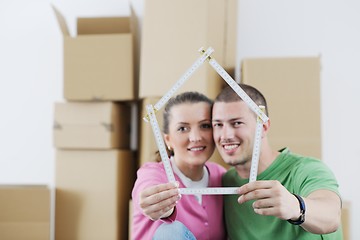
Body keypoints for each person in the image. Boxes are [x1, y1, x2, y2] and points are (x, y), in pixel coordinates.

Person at [212, 83, 343, 239]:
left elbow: (331, 216)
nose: (225, 135)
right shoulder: (225, 181)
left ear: (264, 127)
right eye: (218, 125)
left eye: (237, 123)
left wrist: (295, 206)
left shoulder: (306, 169)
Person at [131, 91, 227, 240]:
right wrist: (158, 206)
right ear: (168, 140)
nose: (195, 137)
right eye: (183, 128)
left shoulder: (220, 175)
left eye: (205, 126)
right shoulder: (153, 173)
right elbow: (146, 188)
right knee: (170, 231)